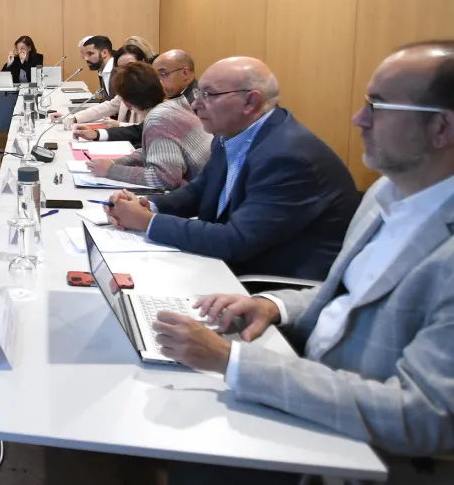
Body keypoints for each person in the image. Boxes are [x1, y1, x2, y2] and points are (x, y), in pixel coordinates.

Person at [152, 41, 454, 484]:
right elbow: (348, 294)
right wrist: (275, 306)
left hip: (365, 450)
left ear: (442, 128)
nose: (359, 119)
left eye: (378, 106)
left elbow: (423, 418)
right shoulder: (383, 196)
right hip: (308, 371)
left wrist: (232, 362)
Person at [105, 56, 359, 280]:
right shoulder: (230, 135)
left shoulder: (288, 157)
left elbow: (236, 241)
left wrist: (149, 222)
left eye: (209, 95)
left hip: (267, 284)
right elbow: (199, 191)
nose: (195, 105)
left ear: (250, 101)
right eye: (198, 94)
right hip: (227, 265)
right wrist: (147, 205)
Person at [85, 61, 211, 190]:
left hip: (202, 196)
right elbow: (152, 151)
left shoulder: (159, 119)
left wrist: (112, 170)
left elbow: (165, 179)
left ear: (126, 103)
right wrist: (116, 162)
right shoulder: (173, 106)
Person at [75, 49, 200, 145]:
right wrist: (97, 134)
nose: (158, 81)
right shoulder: (173, 96)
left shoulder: (195, 103)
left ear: (185, 73)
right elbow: (142, 129)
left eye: (162, 74)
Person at [61, 43, 148, 129]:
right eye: (122, 68)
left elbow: (148, 128)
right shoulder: (128, 88)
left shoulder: (151, 90)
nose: (126, 72)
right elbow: (109, 106)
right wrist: (76, 117)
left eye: (130, 65)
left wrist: (119, 125)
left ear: (143, 63)